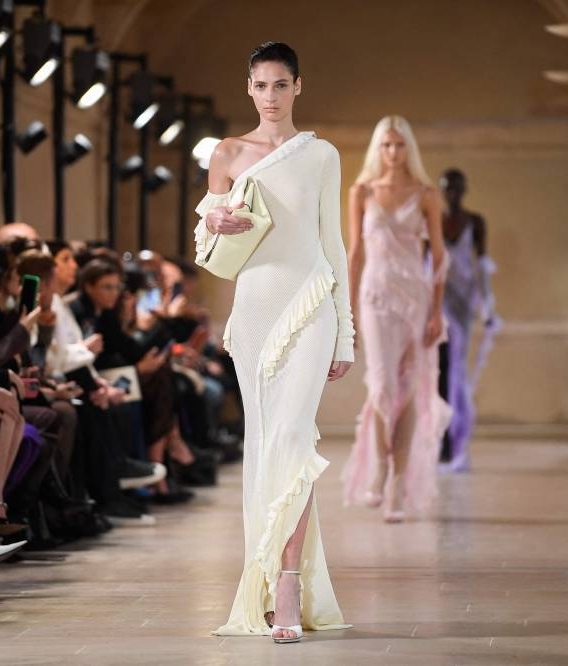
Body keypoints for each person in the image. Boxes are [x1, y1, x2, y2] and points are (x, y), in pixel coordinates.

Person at [194, 42, 353, 643]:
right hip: (255, 307)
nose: (270, 96)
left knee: (292, 436)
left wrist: (346, 335)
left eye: (280, 85)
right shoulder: (227, 153)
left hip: (309, 303)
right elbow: (206, 244)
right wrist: (214, 219)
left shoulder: (322, 155)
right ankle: (263, 582)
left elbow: (333, 243)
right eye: (260, 85)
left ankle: (289, 583)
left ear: (298, 87)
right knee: (264, 446)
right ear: (249, 88)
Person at [341, 116, 451, 523]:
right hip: (374, 296)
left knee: (409, 387)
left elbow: (439, 256)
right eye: (386, 145)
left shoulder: (426, 194)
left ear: (409, 149)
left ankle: (398, 485)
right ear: (377, 148)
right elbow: (355, 253)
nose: (393, 152)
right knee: (383, 383)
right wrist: (346, 313)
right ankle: (382, 466)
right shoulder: (362, 191)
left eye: (399, 145)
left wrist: (437, 309)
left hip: (415, 299)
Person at [438, 169, 500, 472]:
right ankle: (441, 443)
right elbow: (426, 266)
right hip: (437, 303)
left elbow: (482, 266)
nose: (452, 193)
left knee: (456, 372)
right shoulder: (433, 221)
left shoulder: (475, 223)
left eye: (457, 188)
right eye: (447, 188)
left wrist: (488, 308)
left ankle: (457, 439)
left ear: (464, 190)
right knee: (439, 371)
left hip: (463, 304)